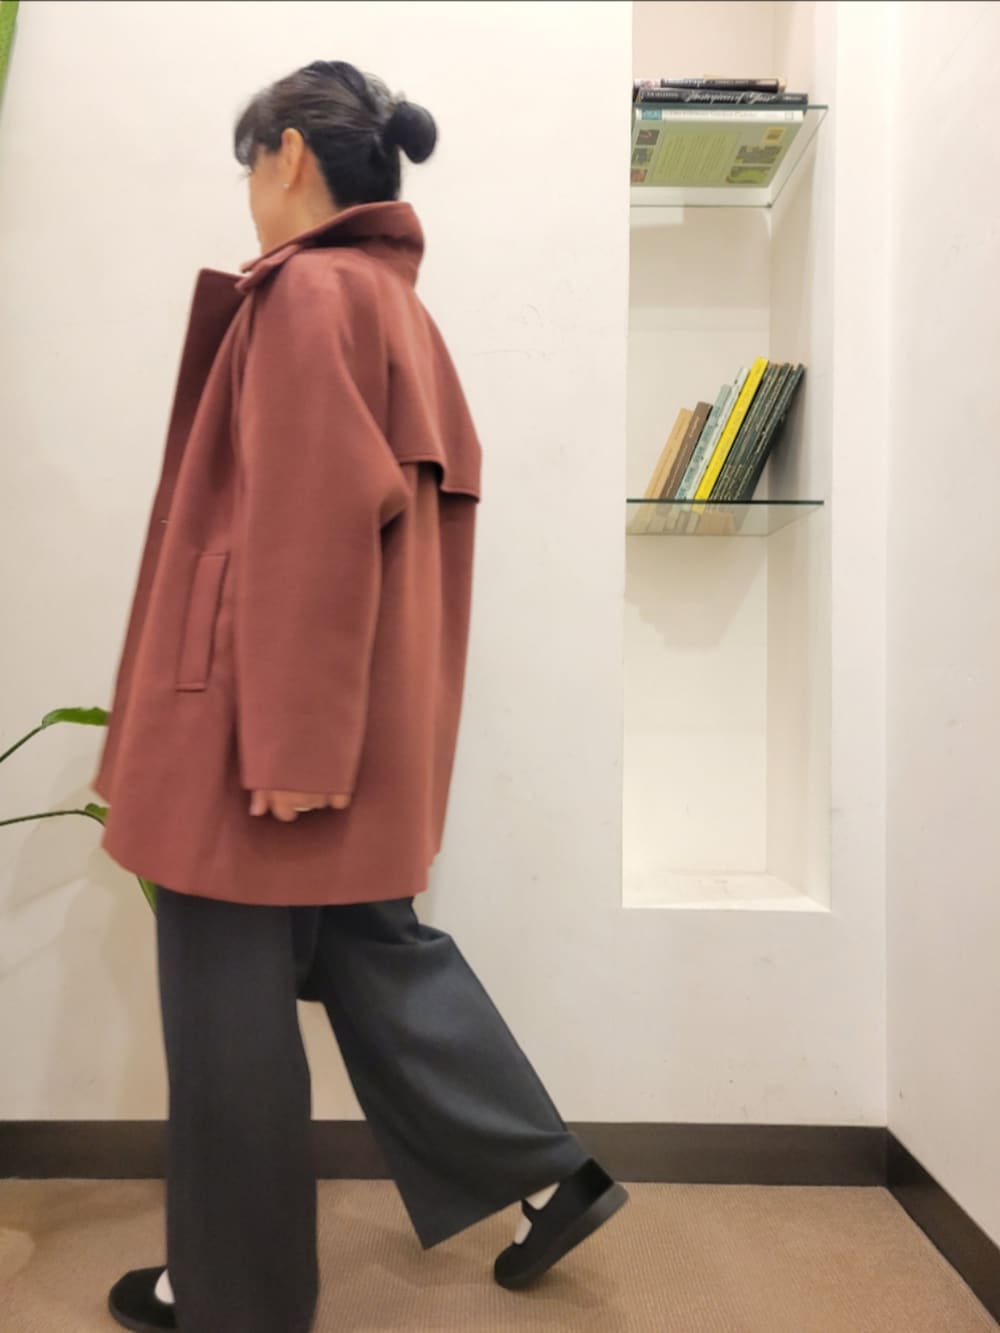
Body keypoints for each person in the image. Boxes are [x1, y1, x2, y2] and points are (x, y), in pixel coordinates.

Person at [94, 60, 628, 1333]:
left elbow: (308, 528)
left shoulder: (305, 294)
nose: (248, 194)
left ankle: (232, 1293)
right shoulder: (390, 305)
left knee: (225, 1010)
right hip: (354, 722)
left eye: (250, 166)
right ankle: (541, 1170)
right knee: (365, 946)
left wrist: (289, 742)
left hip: (257, 731)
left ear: (288, 153)